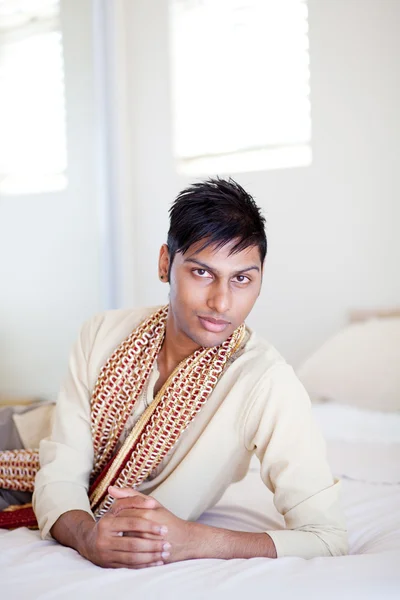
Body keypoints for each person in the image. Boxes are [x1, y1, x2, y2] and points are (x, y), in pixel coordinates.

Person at [0, 178, 348, 568]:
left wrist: (193, 540)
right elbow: (61, 470)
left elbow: (326, 538)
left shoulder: (267, 384)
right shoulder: (101, 332)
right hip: (18, 437)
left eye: (242, 279)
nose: (221, 302)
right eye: (202, 272)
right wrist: (86, 536)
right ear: (166, 263)